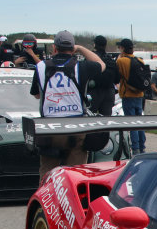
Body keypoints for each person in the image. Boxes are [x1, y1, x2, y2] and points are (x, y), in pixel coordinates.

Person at [29, 30, 105, 178]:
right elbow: (100, 64)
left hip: (50, 129)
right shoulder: (81, 67)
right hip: (76, 127)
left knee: (47, 174)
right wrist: (81, 48)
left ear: (54, 48)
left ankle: (46, 199)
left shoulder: (41, 67)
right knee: (76, 174)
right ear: (72, 49)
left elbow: (37, 95)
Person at [116, 38, 146, 154]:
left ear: (123, 48)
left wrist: (119, 58)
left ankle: (135, 148)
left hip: (128, 95)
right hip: (139, 95)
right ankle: (142, 146)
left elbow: (117, 75)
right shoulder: (140, 60)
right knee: (139, 122)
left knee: (132, 124)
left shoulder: (121, 61)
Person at [88, 35, 119, 116]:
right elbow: (117, 79)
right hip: (109, 92)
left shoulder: (89, 59)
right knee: (106, 118)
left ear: (94, 45)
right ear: (105, 45)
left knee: (90, 116)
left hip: (93, 91)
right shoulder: (111, 60)